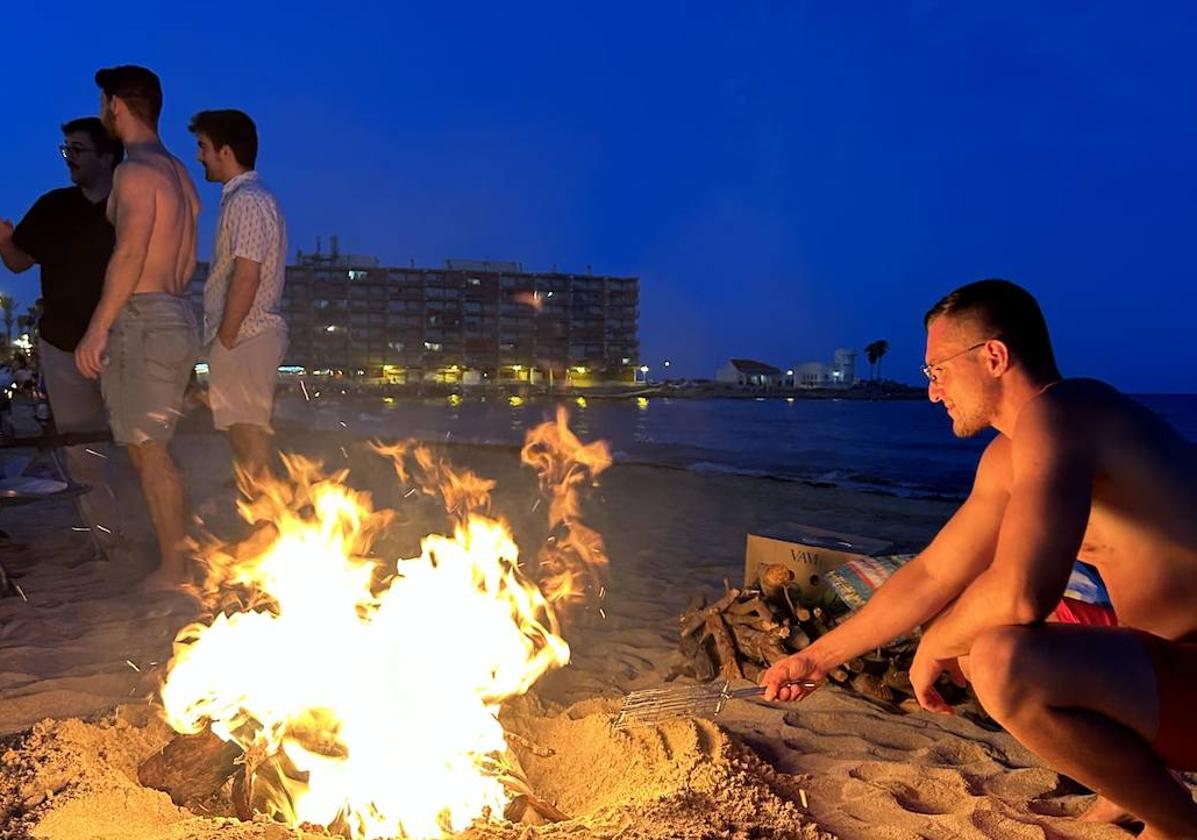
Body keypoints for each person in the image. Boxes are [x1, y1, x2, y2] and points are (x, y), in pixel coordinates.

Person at [761, 279, 1197, 838]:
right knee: (981, 637)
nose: (932, 393)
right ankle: (1135, 786)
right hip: (1167, 671)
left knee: (998, 656)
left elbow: (1023, 590)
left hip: (1192, 672)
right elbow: (934, 570)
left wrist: (938, 640)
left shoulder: (1062, 412)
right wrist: (816, 660)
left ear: (993, 356)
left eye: (937, 371)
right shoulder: (1010, 453)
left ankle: (1178, 823)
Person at [76, 65, 201, 589]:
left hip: (145, 318)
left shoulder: (134, 172)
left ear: (117, 107)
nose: (104, 112)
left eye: (105, 103)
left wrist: (98, 328)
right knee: (155, 450)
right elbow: (189, 262)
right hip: (174, 313)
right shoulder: (180, 176)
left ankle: (175, 569)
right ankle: (178, 560)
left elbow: (128, 253)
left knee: (149, 453)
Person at [0, 117, 129, 550]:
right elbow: (19, 262)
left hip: (125, 341)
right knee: (81, 449)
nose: (69, 158)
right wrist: (3, 241)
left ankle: (145, 531)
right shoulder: (55, 206)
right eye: (66, 150)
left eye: (78, 149)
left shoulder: (132, 206)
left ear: (107, 156)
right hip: (61, 344)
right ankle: (107, 538)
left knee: (136, 444)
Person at [188, 109, 287, 483]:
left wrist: (226, 337)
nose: (199, 156)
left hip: (245, 337)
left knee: (249, 440)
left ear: (225, 151)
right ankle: (264, 524)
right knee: (244, 440)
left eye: (203, 146)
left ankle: (270, 526)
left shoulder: (248, 199)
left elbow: (247, 274)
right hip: (244, 337)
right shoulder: (246, 198)